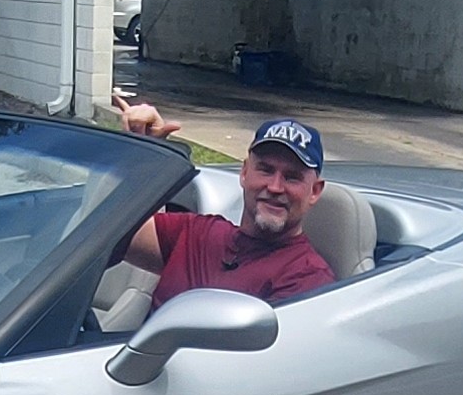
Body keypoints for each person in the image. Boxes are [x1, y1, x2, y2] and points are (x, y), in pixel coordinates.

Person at [112, 97, 337, 308]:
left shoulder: (308, 280)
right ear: (245, 173)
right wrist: (141, 151)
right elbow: (107, 230)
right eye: (265, 170)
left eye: (292, 177)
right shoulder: (196, 234)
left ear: (315, 192)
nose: (275, 187)